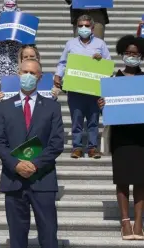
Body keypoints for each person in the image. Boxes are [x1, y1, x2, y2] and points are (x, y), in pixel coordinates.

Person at [0, 59, 64, 248]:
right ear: (18, 74)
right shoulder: (4, 106)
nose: (28, 76)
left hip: (43, 178)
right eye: (25, 72)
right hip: (13, 179)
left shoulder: (52, 107)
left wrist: (35, 164)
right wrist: (15, 164)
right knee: (17, 236)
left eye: (33, 73)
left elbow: (57, 142)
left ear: (40, 78)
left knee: (49, 234)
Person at [97, 35, 144, 240]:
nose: (131, 56)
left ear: (141, 56)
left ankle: (139, 223)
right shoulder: (113, 80)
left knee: (142, 181)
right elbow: (108, 109)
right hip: (121, 137)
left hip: (142, 137)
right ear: (122, 54)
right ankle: (125, 222)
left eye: (135, 53)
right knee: (123, 180)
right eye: (128, 53)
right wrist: (102, 105)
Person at [54, 14, 110, 159]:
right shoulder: (71, 44)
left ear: (92, 28)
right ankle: (77, 147)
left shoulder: (100, 44)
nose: (83, 28)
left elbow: (108, 65)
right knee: (76, 119)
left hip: (93, 89)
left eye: (86, 26)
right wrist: (58, 75)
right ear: (77, 27)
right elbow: (63, 63)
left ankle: (92, 148)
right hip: (75, 89)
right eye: (80, 26)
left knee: (93, 120)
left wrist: (101, 59)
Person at [0, 0, 21, 86]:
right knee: (1, 83)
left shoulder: (20, 13)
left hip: (15, 53)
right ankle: (1, 99)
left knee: (15, 82)